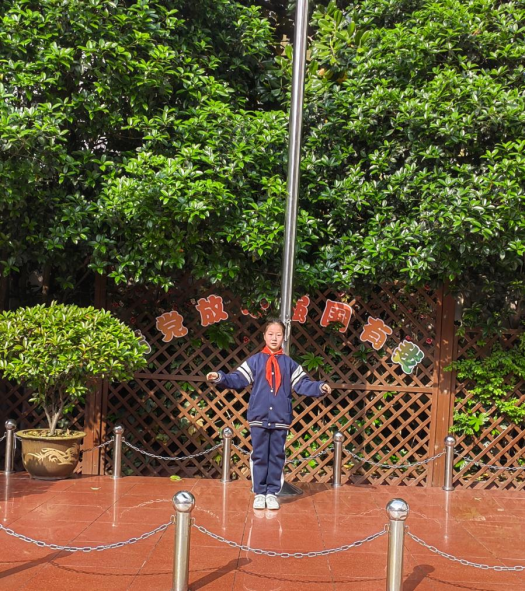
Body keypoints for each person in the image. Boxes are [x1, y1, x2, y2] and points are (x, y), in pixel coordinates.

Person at [206, 318, 331, 510]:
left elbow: (302, 384)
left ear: (284, 337)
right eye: (271, 334)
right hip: (259, 417)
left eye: (278, 335)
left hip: (280, 418)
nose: (274, 338)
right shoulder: (255, 361)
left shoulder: (289, 364)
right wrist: (220, 377)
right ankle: (259, 493)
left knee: (276, 456)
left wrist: (319, 387)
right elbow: (238, 379)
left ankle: (272, 493)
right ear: (264, 336)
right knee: (259, 455)